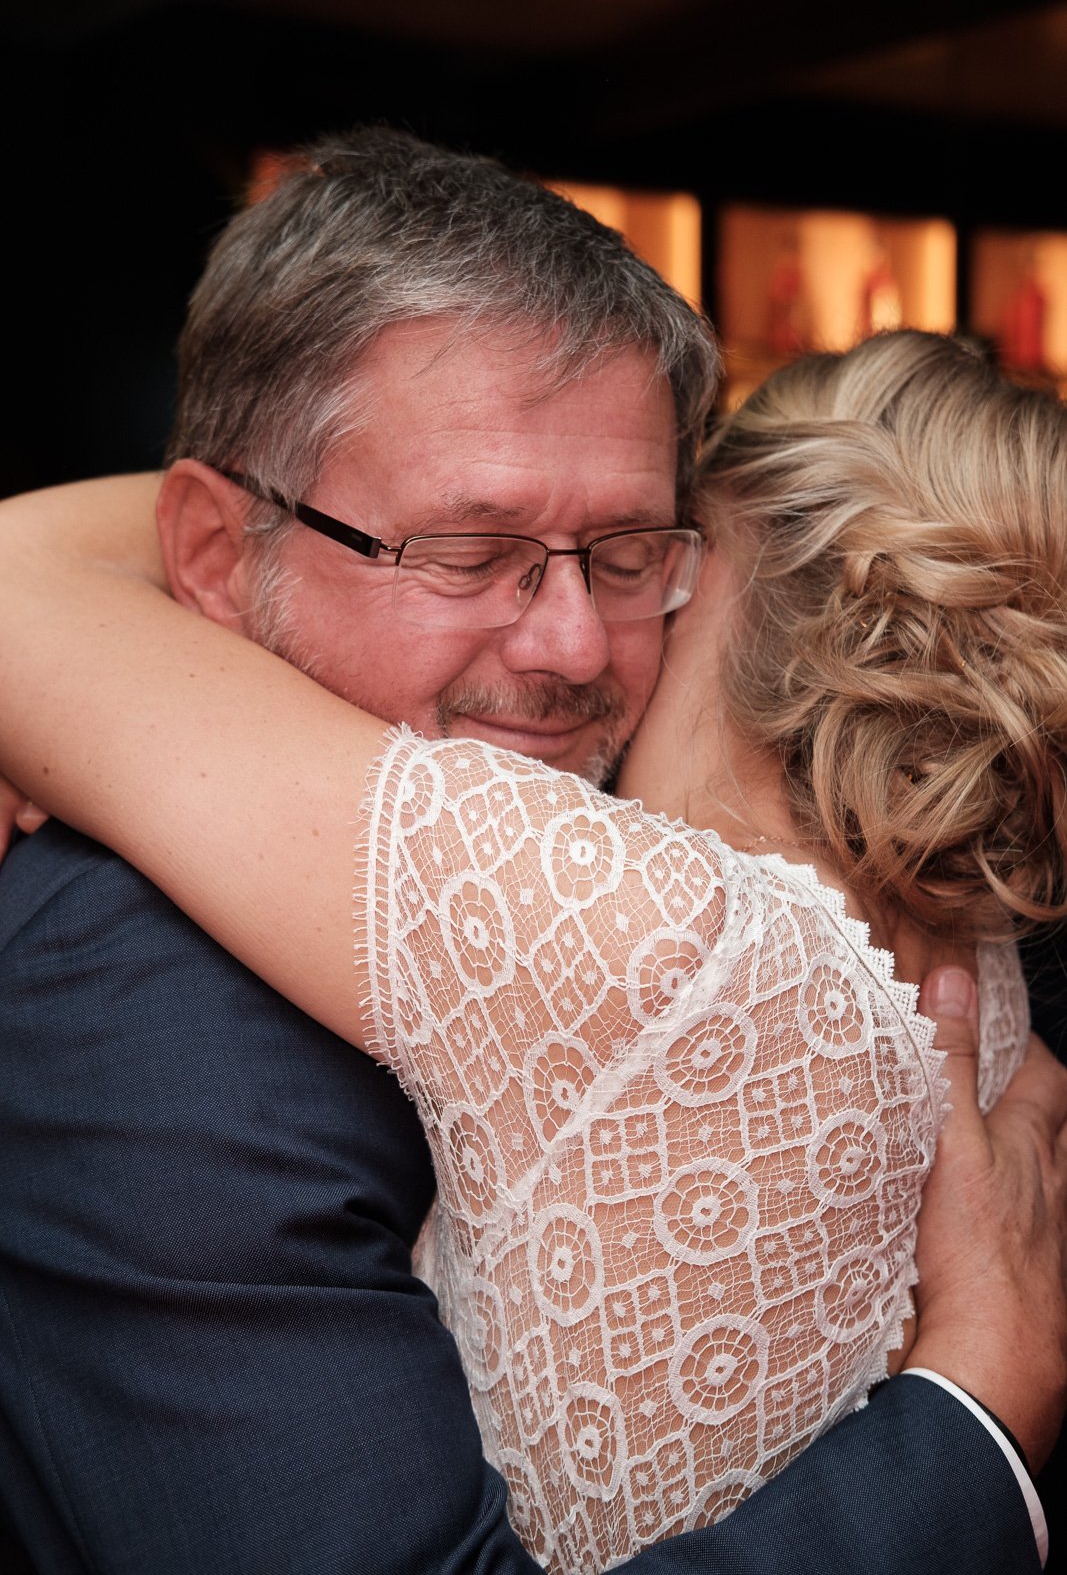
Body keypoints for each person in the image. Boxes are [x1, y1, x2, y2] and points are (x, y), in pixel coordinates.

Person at [0, 129, 1063, 1573]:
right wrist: (975, 1423)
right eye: (464, 549)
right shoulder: (139, 981)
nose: (572, 646)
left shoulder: (677, 892)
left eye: (629, 555)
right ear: (205, 547)